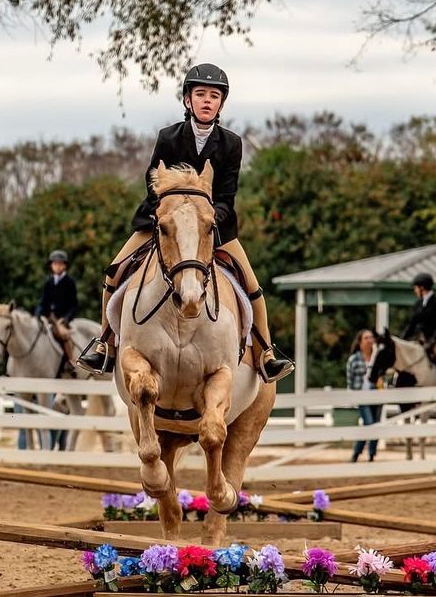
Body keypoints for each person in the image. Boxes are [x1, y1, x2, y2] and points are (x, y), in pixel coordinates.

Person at [78, 63, 294, 383]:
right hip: (165, 223)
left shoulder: (232, 143)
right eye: (201, 94)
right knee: (114, 271)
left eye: (214, 96)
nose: (207, 101)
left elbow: (227, 195)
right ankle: (105, 344)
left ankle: (266, 352)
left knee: (251, 285)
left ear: (221, 103)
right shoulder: (168, 137)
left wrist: (204, 218)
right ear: (188, 100)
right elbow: (153, 183)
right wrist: (169, 215)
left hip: (212, 227)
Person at [404, 272, 436, 385]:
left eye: (416, 288)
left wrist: (432, 341)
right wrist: (403, 339)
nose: (414, 291)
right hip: (419, 338)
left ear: (422, 288)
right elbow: (412, 324)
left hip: (434, 339)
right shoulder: (418, 304)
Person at [347, 328, 382, 463]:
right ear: (360, 342)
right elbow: (350, 381)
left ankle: (371, 455)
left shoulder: (378, 357)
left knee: (376, 426)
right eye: (366, 338)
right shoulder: (354, 359)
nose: (369, 340)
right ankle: (357, 453)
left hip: (377, 395)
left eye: (371, 337)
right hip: (362, 397)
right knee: (369, 424)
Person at [36, 250, 79, 328]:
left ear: (64, 265)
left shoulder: (70, 282)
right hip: (48, 319)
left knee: (64, 335)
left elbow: (73, 306)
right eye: (55, 264)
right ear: (51, 265)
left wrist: (66, 318)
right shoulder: (48, 282)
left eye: (60, 264)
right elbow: (43, 302)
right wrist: (39, 314)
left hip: (63, 320)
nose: (57, 266)